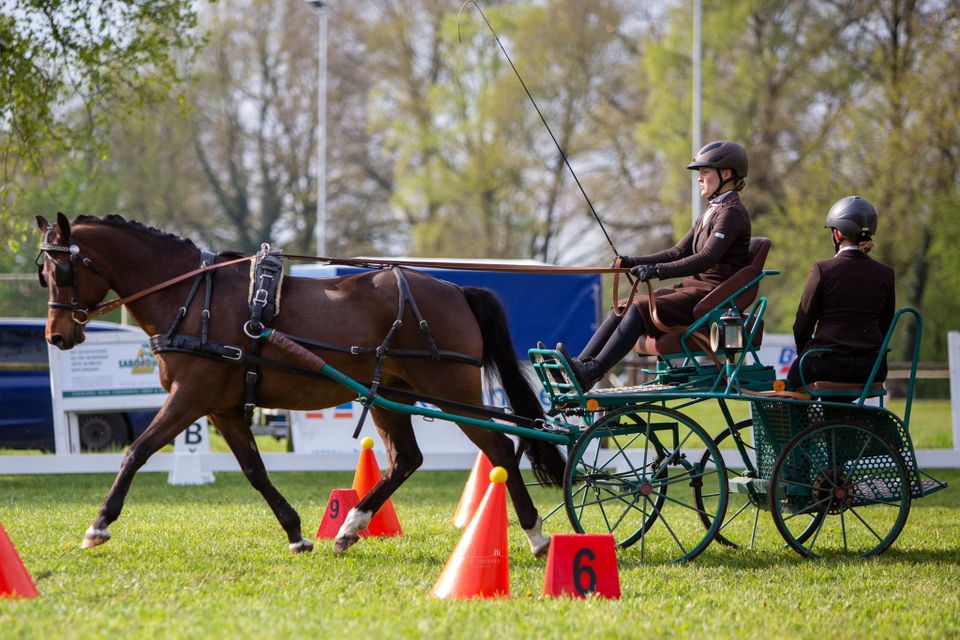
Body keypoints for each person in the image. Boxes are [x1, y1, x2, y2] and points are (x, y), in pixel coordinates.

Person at [559, 140, 752, 391]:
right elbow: (678, 251)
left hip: (711, 295)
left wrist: (658, 271)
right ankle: (581, 364)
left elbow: (707, 258)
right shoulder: (711, 212)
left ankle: (592, 372)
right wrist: (633, 262)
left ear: (726, 174)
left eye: (704, 172)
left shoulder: (732, 213)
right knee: (623, 306)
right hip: (694, 288)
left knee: (640, 307)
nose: (699, 179)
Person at [787, 196, 894, 390]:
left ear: (837, 234)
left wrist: (806, 353)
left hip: (825, 365)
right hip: (872, 369)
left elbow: (802, 326)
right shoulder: (885, 274)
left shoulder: (823, 269)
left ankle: (805, 420)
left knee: (790, 385)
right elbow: (885, 326)